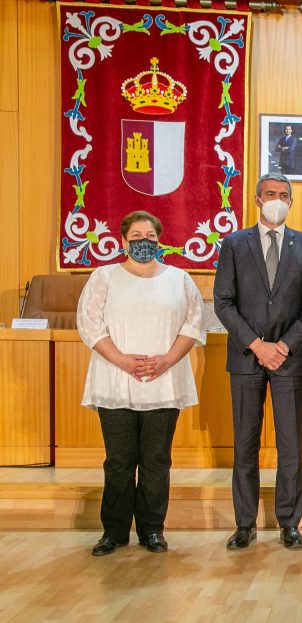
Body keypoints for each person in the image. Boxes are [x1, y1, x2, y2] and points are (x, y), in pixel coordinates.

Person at [77, 210, 205, 556]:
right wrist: (121, 359)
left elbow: (193, 326)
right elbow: (90, 325)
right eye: (136, 236)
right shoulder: (104, 276)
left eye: (150, 236)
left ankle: (152, 530)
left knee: (156, 461)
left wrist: (166, 360)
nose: (143, 242)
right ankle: (114, 532)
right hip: (115, 380)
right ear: (123, 241)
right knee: (119, 461)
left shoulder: (179, 279)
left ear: (159, 239)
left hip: (164, 382)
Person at [213, 173, 302, 550]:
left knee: (289, 445)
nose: (277, 199)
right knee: (245, 444)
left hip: (288, 361)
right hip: (246, 359)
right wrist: (256, 344)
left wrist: (283, 346)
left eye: (284, 195)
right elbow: (223, 302)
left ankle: (289, 522)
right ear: (257, 200)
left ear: (291, 202)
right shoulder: (233, 243)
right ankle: (244, 523)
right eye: (270, 194)